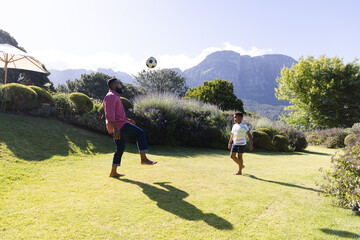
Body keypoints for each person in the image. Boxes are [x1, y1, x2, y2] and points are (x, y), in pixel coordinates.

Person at [103, 77, 157, 177]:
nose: (120, 85)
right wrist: (115, 128)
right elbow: (109, 114)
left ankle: (113, 172)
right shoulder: (111, 96)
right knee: (140, 133)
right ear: (113, 85)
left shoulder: (114, 96)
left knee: (120, 148)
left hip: (119, 124)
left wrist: (127, 119)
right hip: (118, 126)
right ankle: (143, 159)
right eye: (118, 84)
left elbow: (116, 113)